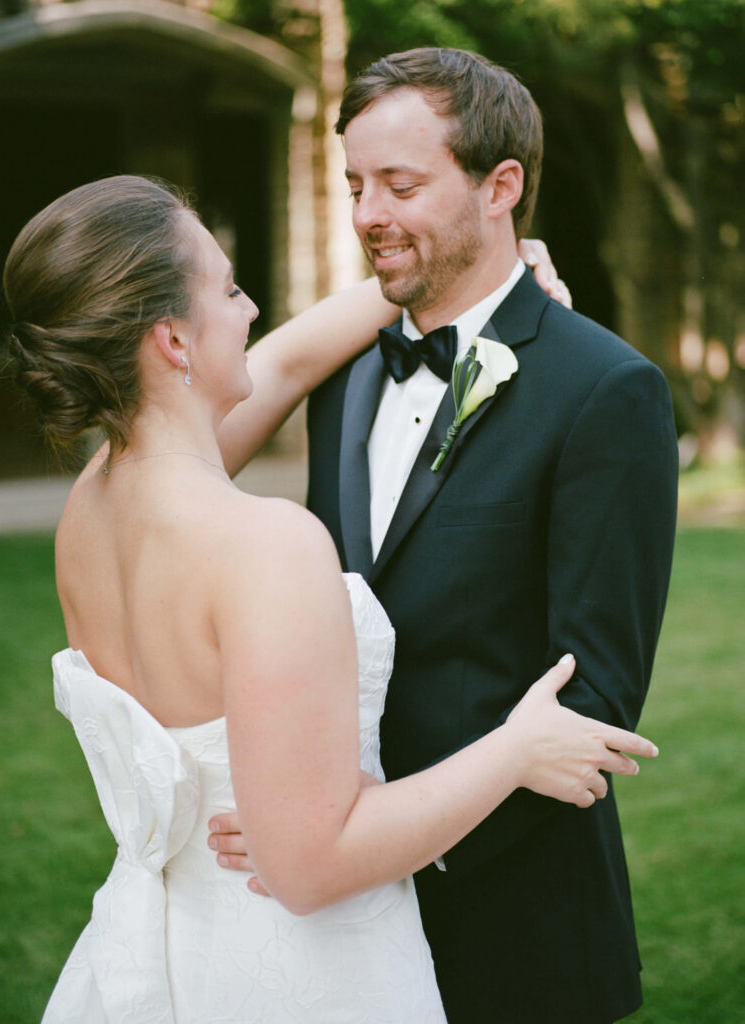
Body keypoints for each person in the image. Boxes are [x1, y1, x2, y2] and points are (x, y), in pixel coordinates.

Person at [4, 175, 659, 1024]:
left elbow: (284, 360)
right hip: (297, 965)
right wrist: (514, 751)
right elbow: (311, 865)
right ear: (170, 339)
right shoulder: (266, 544)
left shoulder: (89, 513)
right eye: (230, 290)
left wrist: (481, 269)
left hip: (172, 940)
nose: (252, 311)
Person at [210, 48, 678, 1023]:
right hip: (335, 935)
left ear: (500, 187)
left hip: (515, 933)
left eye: (400, 184)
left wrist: (363, 838)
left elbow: (590, 701)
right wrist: (307, 815)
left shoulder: (605, 390)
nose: (366, 213)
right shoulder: (346, 378)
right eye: (354, 185)